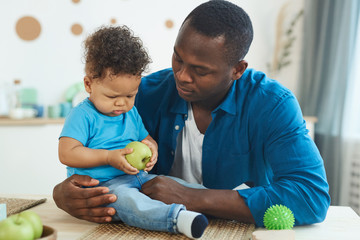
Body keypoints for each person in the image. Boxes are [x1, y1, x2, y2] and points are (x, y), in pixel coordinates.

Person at [53, 0, 330, 228]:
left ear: (237, 69)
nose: (182, 76)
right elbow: (88, 153)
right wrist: (63, 194)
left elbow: (311, 197)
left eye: (200, 70)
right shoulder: (141, 95)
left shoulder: (272, 105)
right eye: (178, 58)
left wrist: (193, 198)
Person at [57, 25, 209, 239]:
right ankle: (177, 219)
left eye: (130, 96)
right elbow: (67, 153)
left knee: (180, 186)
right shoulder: (82, 115)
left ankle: (224, 201)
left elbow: (144, 138)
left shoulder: (130, 113)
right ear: (88, 84)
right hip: (104, 187)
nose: (121, 103)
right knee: (132, 203)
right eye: (112, 96)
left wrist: (151, 148)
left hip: (138, 177)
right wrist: (109, 157)